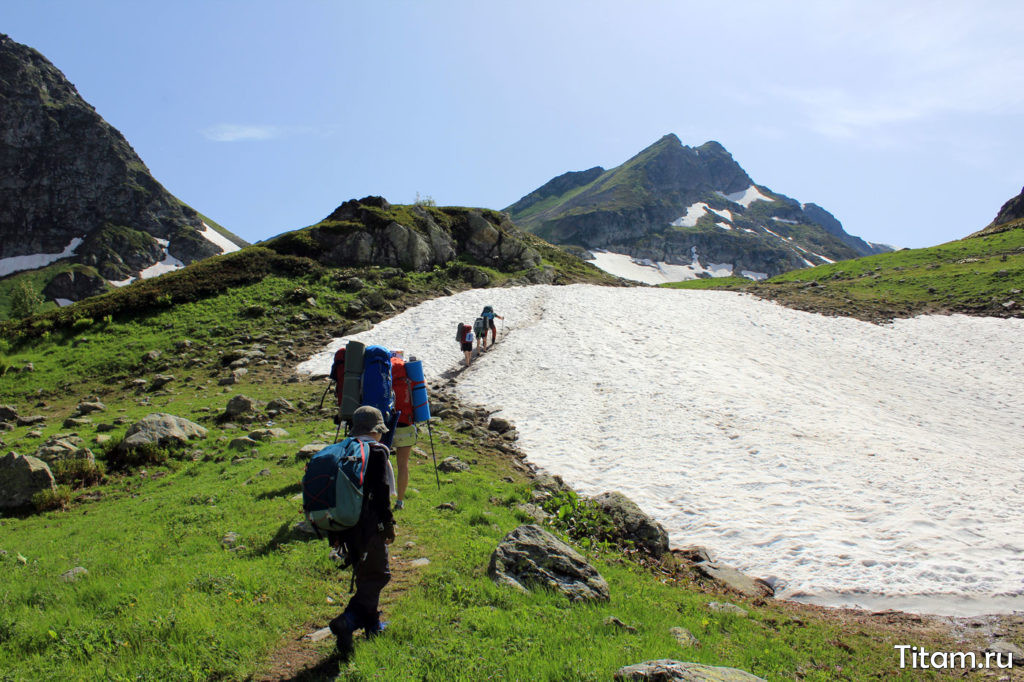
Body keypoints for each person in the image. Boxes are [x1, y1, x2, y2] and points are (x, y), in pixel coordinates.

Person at [328, 406, 396, 660]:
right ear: (375, 430)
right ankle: (348, 620)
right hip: (370, 526)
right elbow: (381, 493)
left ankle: (372, 625)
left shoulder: (345, 448)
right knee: (379, 574)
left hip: (346, 528)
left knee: (365, 572)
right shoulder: (376, 452)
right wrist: (388, 524)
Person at [390, 352, 418, 511]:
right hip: (406, 422)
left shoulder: (384, 376)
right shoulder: (409, 376)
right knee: (403, 465)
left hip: (386, 423)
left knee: (381, 461)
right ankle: (399, 501)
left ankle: (379, 496)